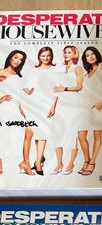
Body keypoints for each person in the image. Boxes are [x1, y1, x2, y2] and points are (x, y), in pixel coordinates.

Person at [69, 46, 102, 176]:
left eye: (92, 54)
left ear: (97, 54)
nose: (90, 57)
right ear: (85, 59)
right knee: (81, 135)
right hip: (86, 107)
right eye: (87, 55)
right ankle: (86, 160)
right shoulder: (86, 74)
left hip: (101, 105)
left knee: (96, 134)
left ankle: (92, 162)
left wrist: (101, 103)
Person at [19, 47, 58, 176]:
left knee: (43, 133)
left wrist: (53, 106)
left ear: (51, 56)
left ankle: (38, 162)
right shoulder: (34, 71)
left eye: (48, 55)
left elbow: (56, 90)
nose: (45, 58)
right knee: (33, 134)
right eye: (43, 56)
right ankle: (33, 162)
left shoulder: (55, 71)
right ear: (39, 57)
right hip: (33, 104)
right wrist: (28, 91)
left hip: (47, 104)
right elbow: (23, 86)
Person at [52, 45, 84, 174]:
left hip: (72, 104)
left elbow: (79, 86)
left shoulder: (78, 68)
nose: (66, 54)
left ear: (75, 54)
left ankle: (71, 163)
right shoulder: (61, 69)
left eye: (69, 52)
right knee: (56, 133)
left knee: (71, 133)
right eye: (65, 52)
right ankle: (59, 163)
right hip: (60, 103)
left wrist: (64, 88)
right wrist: (53, 106)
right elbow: (57, 89)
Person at [0, 50, 28, 174]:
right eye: (16, 57)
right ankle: (0, 165)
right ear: (10, 57)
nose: (18, 61)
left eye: (21, 59)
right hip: (5, 108)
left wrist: (22, 111)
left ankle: (19, 163)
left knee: (17, 136)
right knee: (3, 135)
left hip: (16, 108)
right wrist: (1, 99)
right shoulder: (2, 72)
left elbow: (20, 95)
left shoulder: (18, 75)